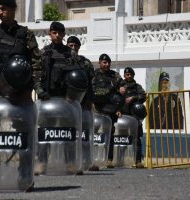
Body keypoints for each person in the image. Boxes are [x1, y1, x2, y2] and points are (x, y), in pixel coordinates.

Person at [0, 0, 45, 191]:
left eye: (3, 9)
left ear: (13, 9)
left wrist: (28, 90)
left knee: (23, 136)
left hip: (19, 95)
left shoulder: (26, 35)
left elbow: (37, 65)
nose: (0, 13)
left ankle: (24, 179)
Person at [35, 22, 86, 175]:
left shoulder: (71, 54)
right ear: (49, 34)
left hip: (66, 100)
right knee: (44, 133)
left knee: (67, 132)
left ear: (63, 34)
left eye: (59, 33)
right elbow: (36, 74)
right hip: (47, 99)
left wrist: (73, 96)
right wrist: (39, 90)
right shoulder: (43, 53)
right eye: (54, 32)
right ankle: (41, 163)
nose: (57, 35)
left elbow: (79, 77)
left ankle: (71, 164)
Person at [66, 36, 100, 171]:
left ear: (79, 47)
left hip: (83, 103)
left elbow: (91, 84)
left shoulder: (86, 63)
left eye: (75, 45)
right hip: (68, 103)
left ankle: (86, 162)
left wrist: (90, 102)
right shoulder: (64, 60)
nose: (73, 48)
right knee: (69, 135)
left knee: (85, 135)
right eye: (70, 45)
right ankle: (70, 162)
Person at [92, 53, 126, 168]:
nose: (107, 65)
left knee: (110, 134)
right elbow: (91, 89)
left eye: (108, 63)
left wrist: (122, 88)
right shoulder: (94, 74)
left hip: (109, 109)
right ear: (100, 63)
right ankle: (92, 159)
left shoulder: (114, 75)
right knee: (94, 135)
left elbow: (123, 84)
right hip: (96, 109)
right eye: (104, 62)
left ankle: (109, 159)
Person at [119, 67, 146, 168]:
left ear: (133, 75)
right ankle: (120, 160)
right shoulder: (121, 86)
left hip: (134, 116)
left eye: (130, 74)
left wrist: (133, 97)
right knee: (121, 138)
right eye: (126, 74)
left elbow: (143, 96)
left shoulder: (137, 87)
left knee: (136, 138)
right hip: (123, 115)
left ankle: (138, 160)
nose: (128, 76)